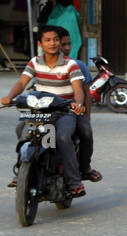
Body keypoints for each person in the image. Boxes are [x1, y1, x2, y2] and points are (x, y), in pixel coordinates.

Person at [3, 23, 89, 198]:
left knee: (63, 137)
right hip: (40, 111)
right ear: (40, 44)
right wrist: (9, 96)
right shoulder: (34, 62)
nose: (53, 43)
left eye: (56, 40)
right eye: (48, 40)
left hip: (64, 112)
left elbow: (78, 89)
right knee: (22, 131)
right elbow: (22, 82)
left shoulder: (70, 64)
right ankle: (20, 173)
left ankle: (74, 182)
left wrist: (78, 103)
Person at [56, 28, 100, 183]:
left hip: (72, 111)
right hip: (47, 112)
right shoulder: (41, 64)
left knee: (86, 132)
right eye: (63, 44)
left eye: (69, 44)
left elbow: (86, 92)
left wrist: (86, 115)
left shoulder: (78, 65)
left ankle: (85, 168)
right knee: (23, 130)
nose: (67, 48)